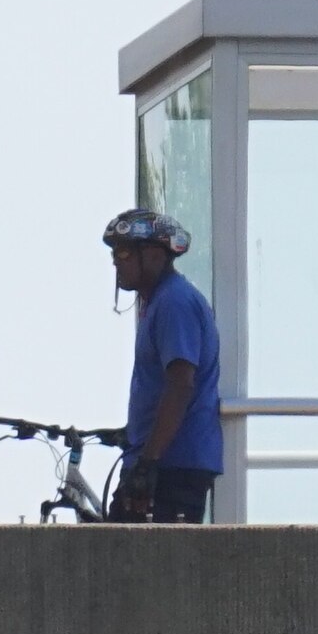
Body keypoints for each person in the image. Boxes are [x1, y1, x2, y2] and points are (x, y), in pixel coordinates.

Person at [101, 207, 223, 524]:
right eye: (114, 252)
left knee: (123, 566)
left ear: (155, 255)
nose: (116, 260)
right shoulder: (158, 302)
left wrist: (148, 463)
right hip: (160, 464)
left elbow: (181, 384)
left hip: (172, 469)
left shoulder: (174, 302)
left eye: (125, 251)